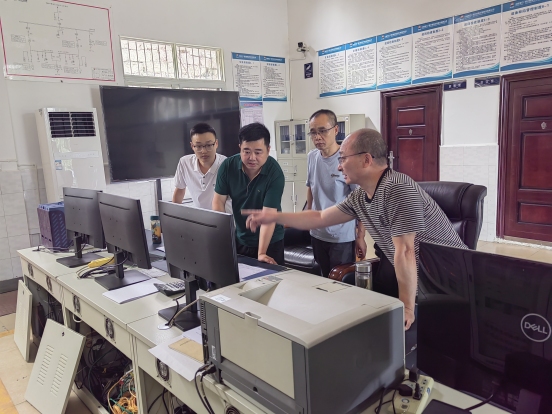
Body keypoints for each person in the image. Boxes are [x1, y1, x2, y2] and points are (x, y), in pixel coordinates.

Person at [243, 128, 467, 330]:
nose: (339, 166)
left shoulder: (398, 188)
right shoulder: (361, 195)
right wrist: (275, 216)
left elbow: (406, 251)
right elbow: (320, 217)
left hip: (450, 282)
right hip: (421, 281)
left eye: (343, 158)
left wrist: (406, 307)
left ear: (366, 159)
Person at [213, 122, 285, 265]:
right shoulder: (228, 166)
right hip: (240, 238)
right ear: (240, 148)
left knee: (271, 277)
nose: (252, 157)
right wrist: (225, 237)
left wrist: (262, 253)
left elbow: (268, 215)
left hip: (270, 241)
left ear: (268, 150)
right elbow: (218, 201)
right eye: (246, 151)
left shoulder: (275, 173)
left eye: (258, 152)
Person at [306, 109, 367, 277]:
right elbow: (311, 187)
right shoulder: (312, 157)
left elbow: (361, 201)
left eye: (322, 131)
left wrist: (360, 236)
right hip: (317, 233)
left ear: (335, 130)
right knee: (321, 281)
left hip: (341, 237)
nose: (317, 137)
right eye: (313, 132)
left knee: (340, 283)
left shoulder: (348, 161)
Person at [172, 123, 231, 212]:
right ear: (192, 146)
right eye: (199, 146)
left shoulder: (227, 165)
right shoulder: (185, 162)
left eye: (209, 145)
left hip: (224, 217)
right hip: (200, 217)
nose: (204, 151)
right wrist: (174, 215)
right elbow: (179, 191)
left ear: (216, 144)